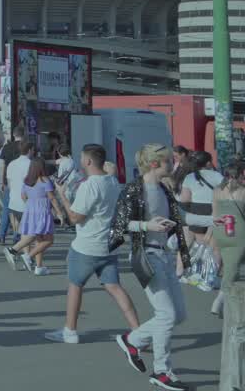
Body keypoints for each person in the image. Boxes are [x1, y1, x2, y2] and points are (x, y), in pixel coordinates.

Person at [112, 143, 216, 391]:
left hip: (165, 257)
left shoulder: (163, 189)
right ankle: (161, 371)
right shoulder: (135, 190)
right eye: (170, 161)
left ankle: (132, 339)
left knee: (178, 314)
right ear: (155, 164)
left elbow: (182, 218)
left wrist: (214, 219)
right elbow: (119, 226)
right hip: (147, 257)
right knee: (167, 316)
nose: (175, 164)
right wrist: (148, 226)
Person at [44, 143, 141, 344]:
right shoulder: (112, 182)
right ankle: (138, 331)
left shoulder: (90, 185)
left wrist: (62, 195)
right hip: (108, 243)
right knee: (114, 286)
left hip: (87, 245)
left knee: (75, 286)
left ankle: (70, 331)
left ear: (88, 161)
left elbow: (75, 217)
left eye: (82, 158)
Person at [3, 158, 64, 275]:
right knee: (48, 240)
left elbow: (23, 196)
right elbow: (52, 198)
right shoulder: (45, 180)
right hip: (42, 210)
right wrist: (59, 213)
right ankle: (23, 254)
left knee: (39, 239)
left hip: (30, 209)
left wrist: (32, 203)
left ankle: (39, 267)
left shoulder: (27, 180)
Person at [211, 161, 245, 318]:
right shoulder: (242, 192)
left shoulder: (217, 191)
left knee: (230, 267)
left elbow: (214, 214)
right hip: (237, 233)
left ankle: (227, 301)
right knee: (233, 269)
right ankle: (220, 301)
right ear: (240, 174)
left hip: (220, 232)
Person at [0, 127, 27, 244]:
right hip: (24, 182)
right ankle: (17, 236)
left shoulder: (6, 147)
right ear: (23, 135)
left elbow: (2, 166)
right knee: (21, 210)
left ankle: (1, 235)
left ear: (14, 135)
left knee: (7, 209)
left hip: (9, 181)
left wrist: (1, 181)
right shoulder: (26, 147)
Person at [3, 139, 35, 244]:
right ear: (30, 150)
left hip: (13, 200)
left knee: (17, 225)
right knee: (28, 230)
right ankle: (24, 252)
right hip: (27, 201)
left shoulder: (11, 164)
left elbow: (9, 183)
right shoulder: (31, 164)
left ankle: (16, 241)